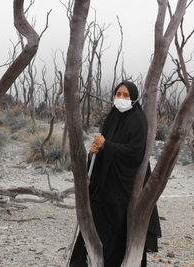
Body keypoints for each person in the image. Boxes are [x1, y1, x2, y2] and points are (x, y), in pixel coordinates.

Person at [69, 80, 161, 267]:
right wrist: (95, 151)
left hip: (123, 190)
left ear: (133, 98)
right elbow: (104, 147)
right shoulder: (111, 118)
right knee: (94, 227)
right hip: (104, 186)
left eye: (126, 95)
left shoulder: (138, 120)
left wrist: (106, 145)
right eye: (118, 94)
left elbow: (135, 153)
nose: (121, 99)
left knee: (116, 233)